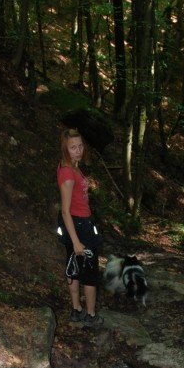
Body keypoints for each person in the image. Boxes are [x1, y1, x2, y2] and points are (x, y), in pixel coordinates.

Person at [57, 128, 103, 327]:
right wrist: (76, 241)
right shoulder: (68, 172)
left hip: (76, 223)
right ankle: (90, 314)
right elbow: (66, 210)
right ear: (65, 149)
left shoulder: (72, 167)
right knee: (89, 272)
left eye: (80, 146)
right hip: (78, 225)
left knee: (73, 267)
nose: (78, 150)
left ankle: (76, 310)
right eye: (73, 147)